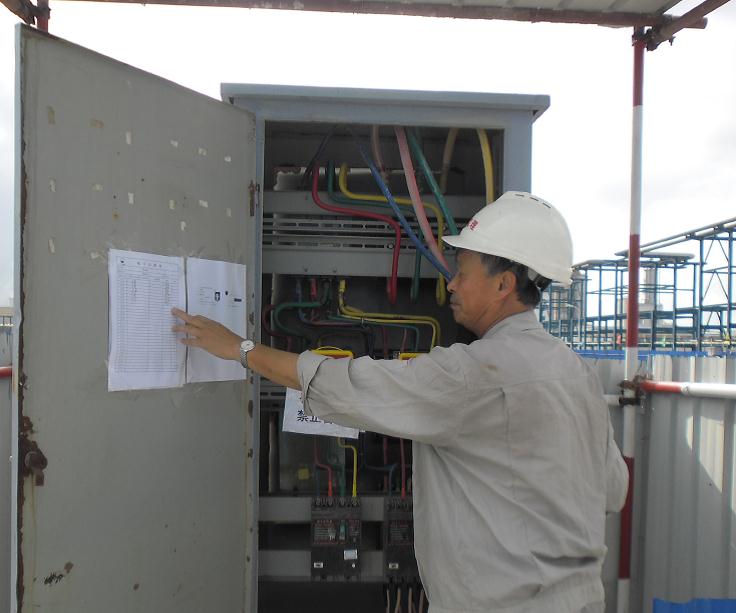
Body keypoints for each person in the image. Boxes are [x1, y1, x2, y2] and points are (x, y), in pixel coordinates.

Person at [172, 191, 629, 613]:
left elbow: (348, 387)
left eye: (463, 272)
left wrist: (242, 350)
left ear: (503, 284)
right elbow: (613, 490)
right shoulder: (578, 374)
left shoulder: (472, 374)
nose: (452, 284)